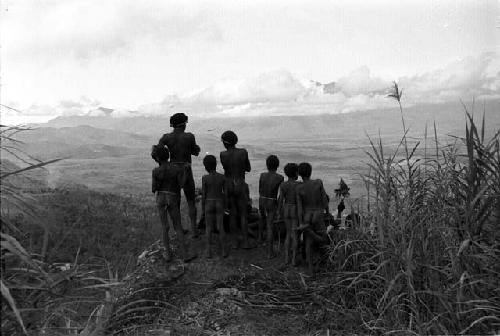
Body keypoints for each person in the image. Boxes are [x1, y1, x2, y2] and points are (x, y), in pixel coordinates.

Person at [157, 113, 201, 239]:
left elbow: (156, 151)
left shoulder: (166, 138)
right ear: (183, 124)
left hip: (172, 171)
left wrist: (163, 165)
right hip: (186, 169)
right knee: (191, 201)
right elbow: (195, 151)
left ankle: (179, 229)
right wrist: (196, 149)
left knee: (175, 203)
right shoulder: (189, 137)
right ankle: (194, 231)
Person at [151, 145, 196, 262]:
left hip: (161, 198)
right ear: (167, 155)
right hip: (172, 197)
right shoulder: (176, 169)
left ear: (157, 158)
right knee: (177, 226)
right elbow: (181, 184)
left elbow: (153, 188)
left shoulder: (155, 171)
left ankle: (168, 254)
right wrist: (186, 171)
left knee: (165, 227)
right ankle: (185, 255)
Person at [219, 130, 254, 249]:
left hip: (229, 185)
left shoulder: (222, 154)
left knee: (232, 215)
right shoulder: (243, 152)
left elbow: (226, 170)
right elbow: (248, 168)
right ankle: (246, 242)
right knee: (243, 215)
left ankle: (234, 242)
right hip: (241, 184)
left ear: (225, 143)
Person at [296, 162, 330, 275]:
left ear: (299, 174)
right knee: (324, 239)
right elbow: (324, 200)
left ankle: (310, 269)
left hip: (307, 216)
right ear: (310, 172)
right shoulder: (318, 183)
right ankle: (324, 265)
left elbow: (300, 208)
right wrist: (328, 213)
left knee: (309, 243)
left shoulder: (299, 188)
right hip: (317, 215)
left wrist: (301, 223)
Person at [201, 155, 227, 258]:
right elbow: (225, 193)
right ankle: (224, 251)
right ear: (216, 164)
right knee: (220, 226)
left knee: (208, 227)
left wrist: (203, 208)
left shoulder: (205, 178)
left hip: (209, 202)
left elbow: (204, 194)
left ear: (205, 166)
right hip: (219, 202)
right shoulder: (222, 177)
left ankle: (208, 251)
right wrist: (226, 205)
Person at [259, 155, 284, 259]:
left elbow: (260, 189)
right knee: (270, 225)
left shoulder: (262, 175)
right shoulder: (280, 177)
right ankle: (270, 253)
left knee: (262, 220)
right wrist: (279, 209)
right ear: (277, 165)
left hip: (262, 199)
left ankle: (260, 240)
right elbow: (281, 196)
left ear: (267, 165)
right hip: (271, 201)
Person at [277, 163, 300, 265]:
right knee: (294, 234)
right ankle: (294, 259)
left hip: (286, 208)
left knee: (288, 233)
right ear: (296, 173)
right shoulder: (298, 185)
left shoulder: (283, 185)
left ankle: (286, 258)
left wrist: (278, 212)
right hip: (295, 208)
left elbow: (280, 200)